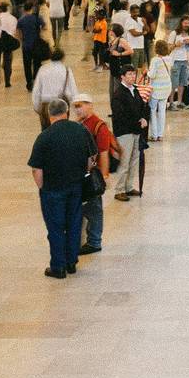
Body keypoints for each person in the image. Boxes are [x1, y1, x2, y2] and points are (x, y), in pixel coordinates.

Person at [27, 99, 96, 279]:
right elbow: (91, 159)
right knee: (74, 224)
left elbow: (36, 168)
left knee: (56, 228)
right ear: (67, 112)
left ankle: (58, 267)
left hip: (52, 189)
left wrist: (42, 187)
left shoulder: (44, 137)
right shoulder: (81, 130)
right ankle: (71, 262)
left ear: (50, 115)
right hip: (76, 186)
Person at [72, 94, 113, 256]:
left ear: (90, 105)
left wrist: (104, 175)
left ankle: (94, 241)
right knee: (83, 209)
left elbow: (104, 152)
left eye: (80, 105)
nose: (77, 109)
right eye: (75, 106)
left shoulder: (98, 126)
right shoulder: (79, 124)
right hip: (80, 174)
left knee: (94, 209)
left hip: (92, 176)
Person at [111, 64, 149, 202]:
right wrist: (138, 122)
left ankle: (128, 186)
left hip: (136, 131)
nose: (133, 77)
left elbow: (142, 106)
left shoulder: (135, 90)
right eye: (129, 74)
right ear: (122, 76)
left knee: (134, 160)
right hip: (125, 132)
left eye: (134, 74)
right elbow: (121, 115)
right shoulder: (118, 94)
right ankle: (119, 189)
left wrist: (144, 118)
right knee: (124, 161)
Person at [31, 48, 78, 129]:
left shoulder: (43, 69)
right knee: (62, 131)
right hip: (62, 105)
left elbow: (36, 91)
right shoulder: (66, 70)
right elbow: (73, 90)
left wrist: (37, 108)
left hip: (46, 106)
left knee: (46, 132)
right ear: (62, 58)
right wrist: (76, 106)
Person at [146, 40, 172, 141]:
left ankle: (154, 134)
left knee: (152, 110)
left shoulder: (155, 60)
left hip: (156, 89)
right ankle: (160, 135)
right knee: (162, 111)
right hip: (166, 87)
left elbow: (152, 75)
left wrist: (147, 72)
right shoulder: (169, 59)